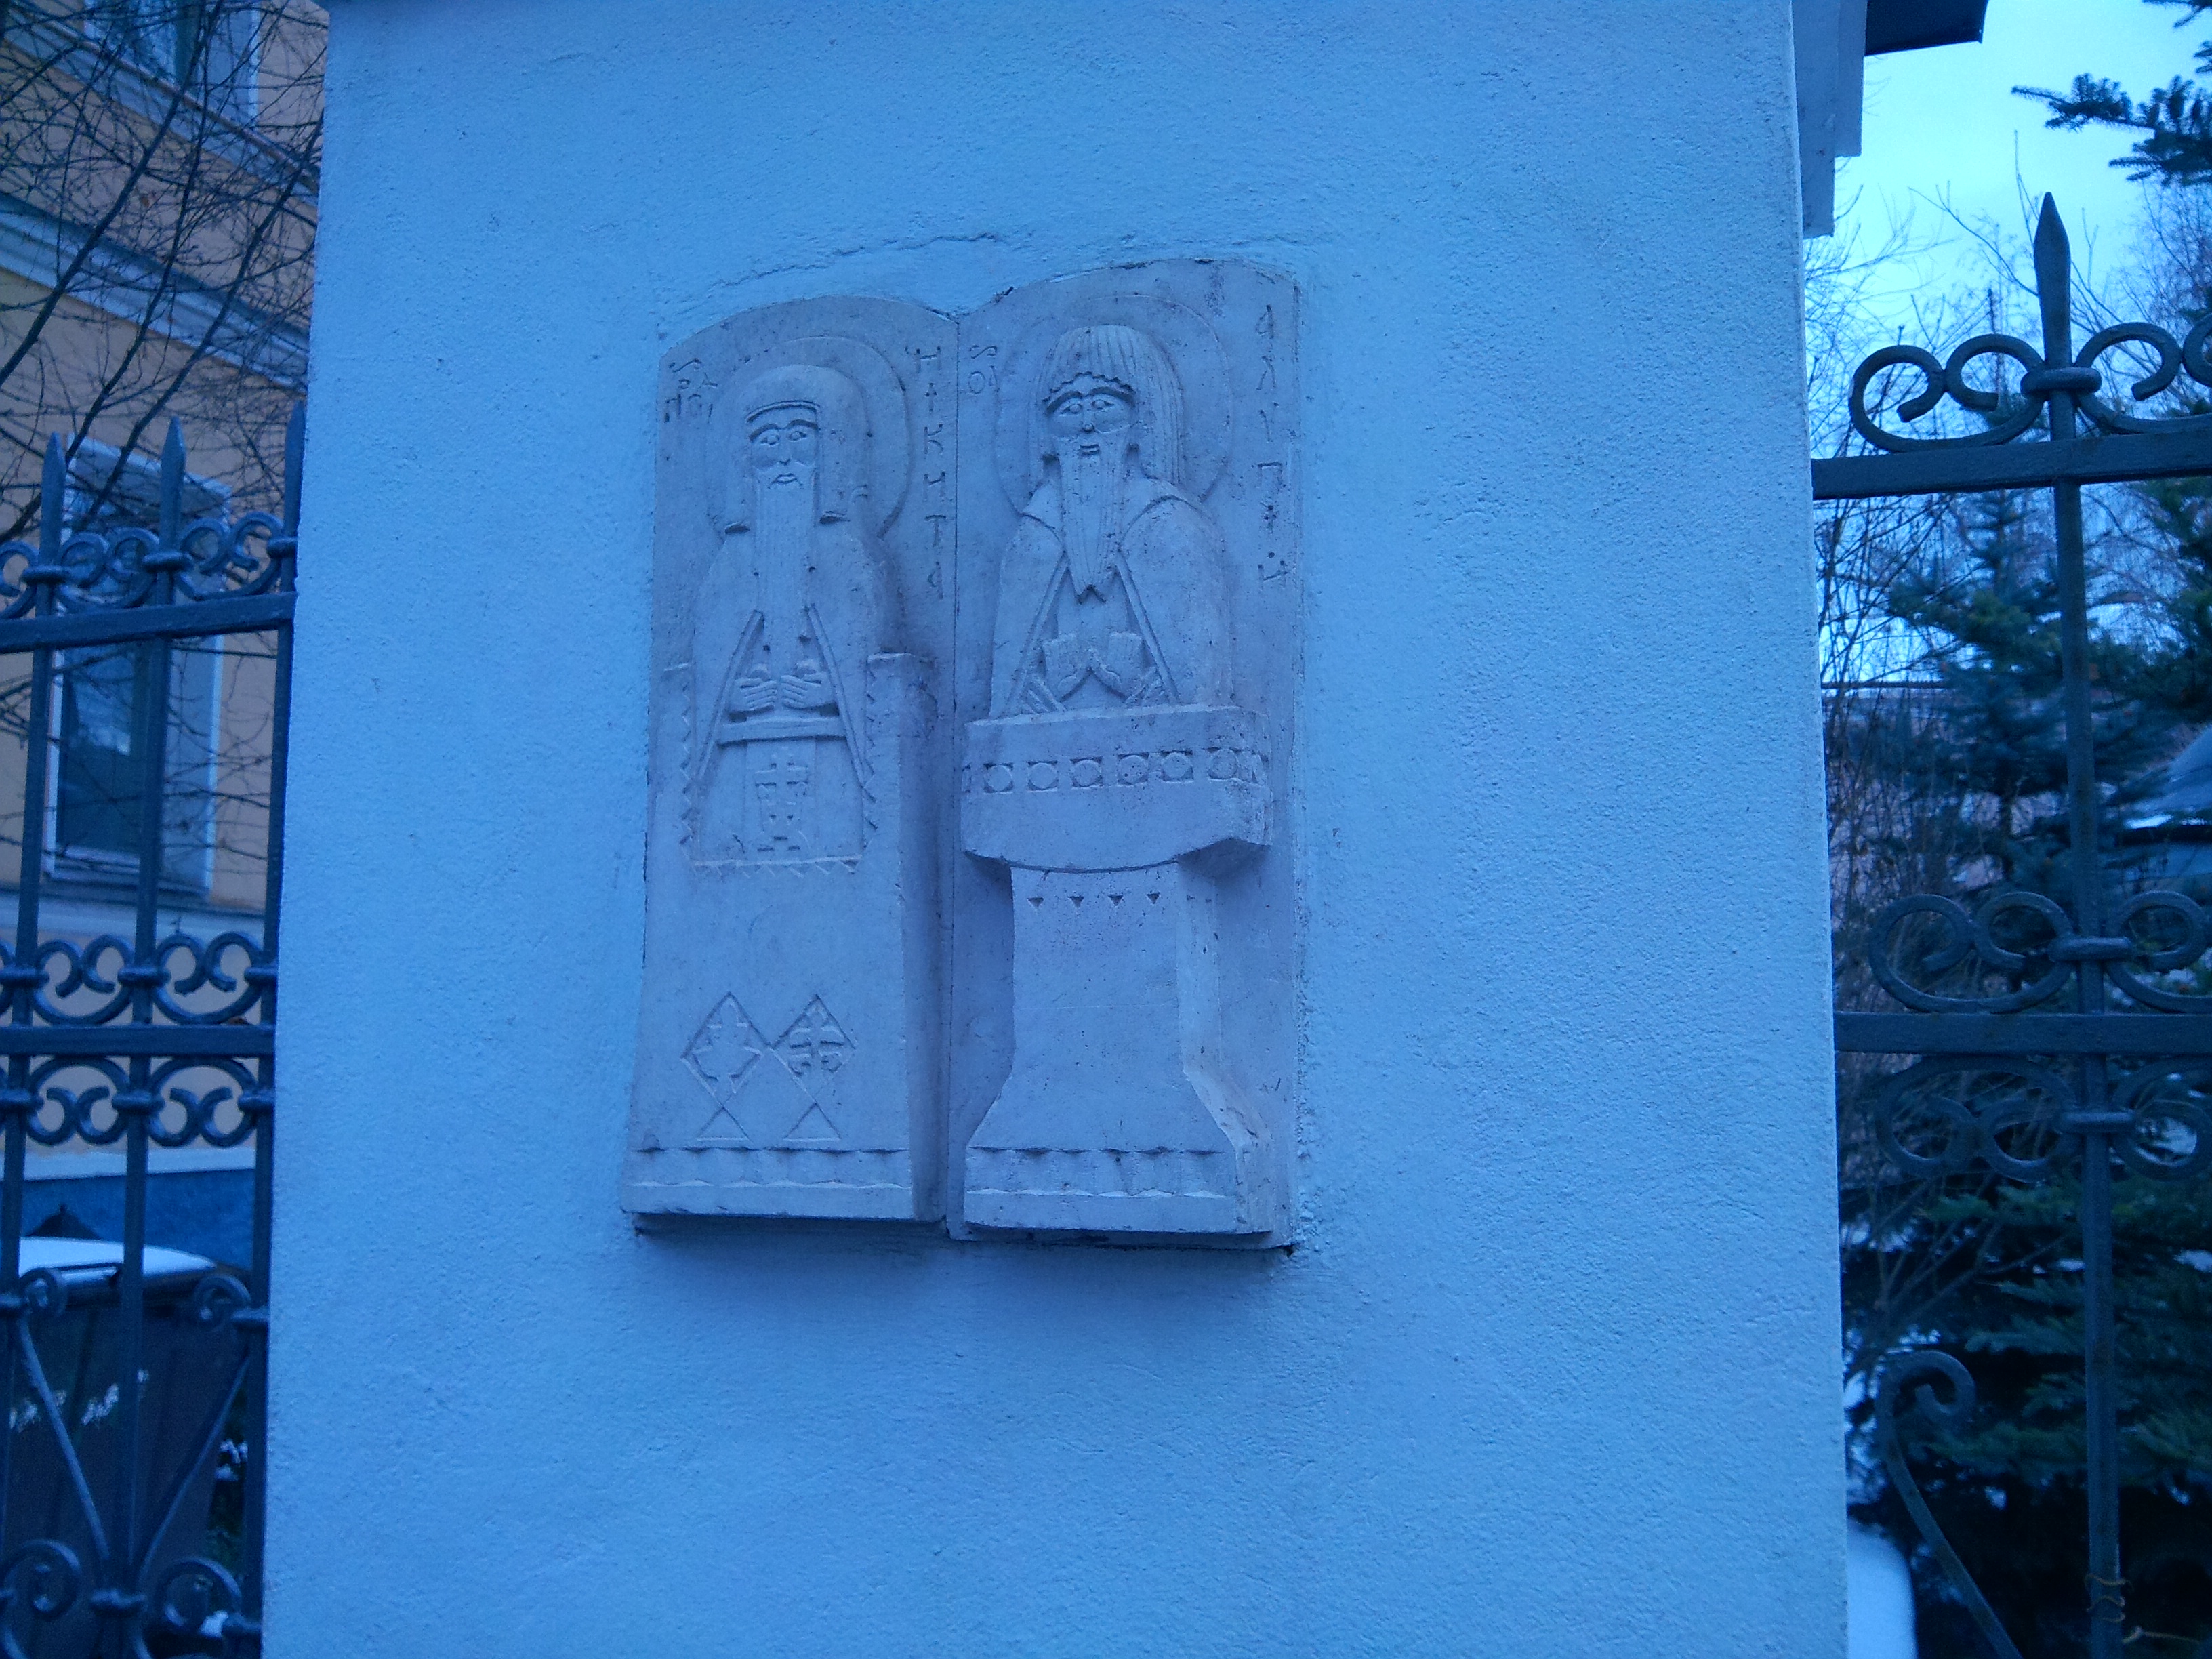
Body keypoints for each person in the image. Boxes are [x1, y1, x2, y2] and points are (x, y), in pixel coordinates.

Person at [990, 325, 1230, 718]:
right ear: (1047, 433)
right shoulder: (1035, 535)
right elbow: (1008, 697)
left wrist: (1135, 687)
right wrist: (1050, 692)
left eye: (1104, 405)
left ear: (1141, 419)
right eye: (1070, 409)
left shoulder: (1169, 525)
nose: (1087, 425)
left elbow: (1199, 688)